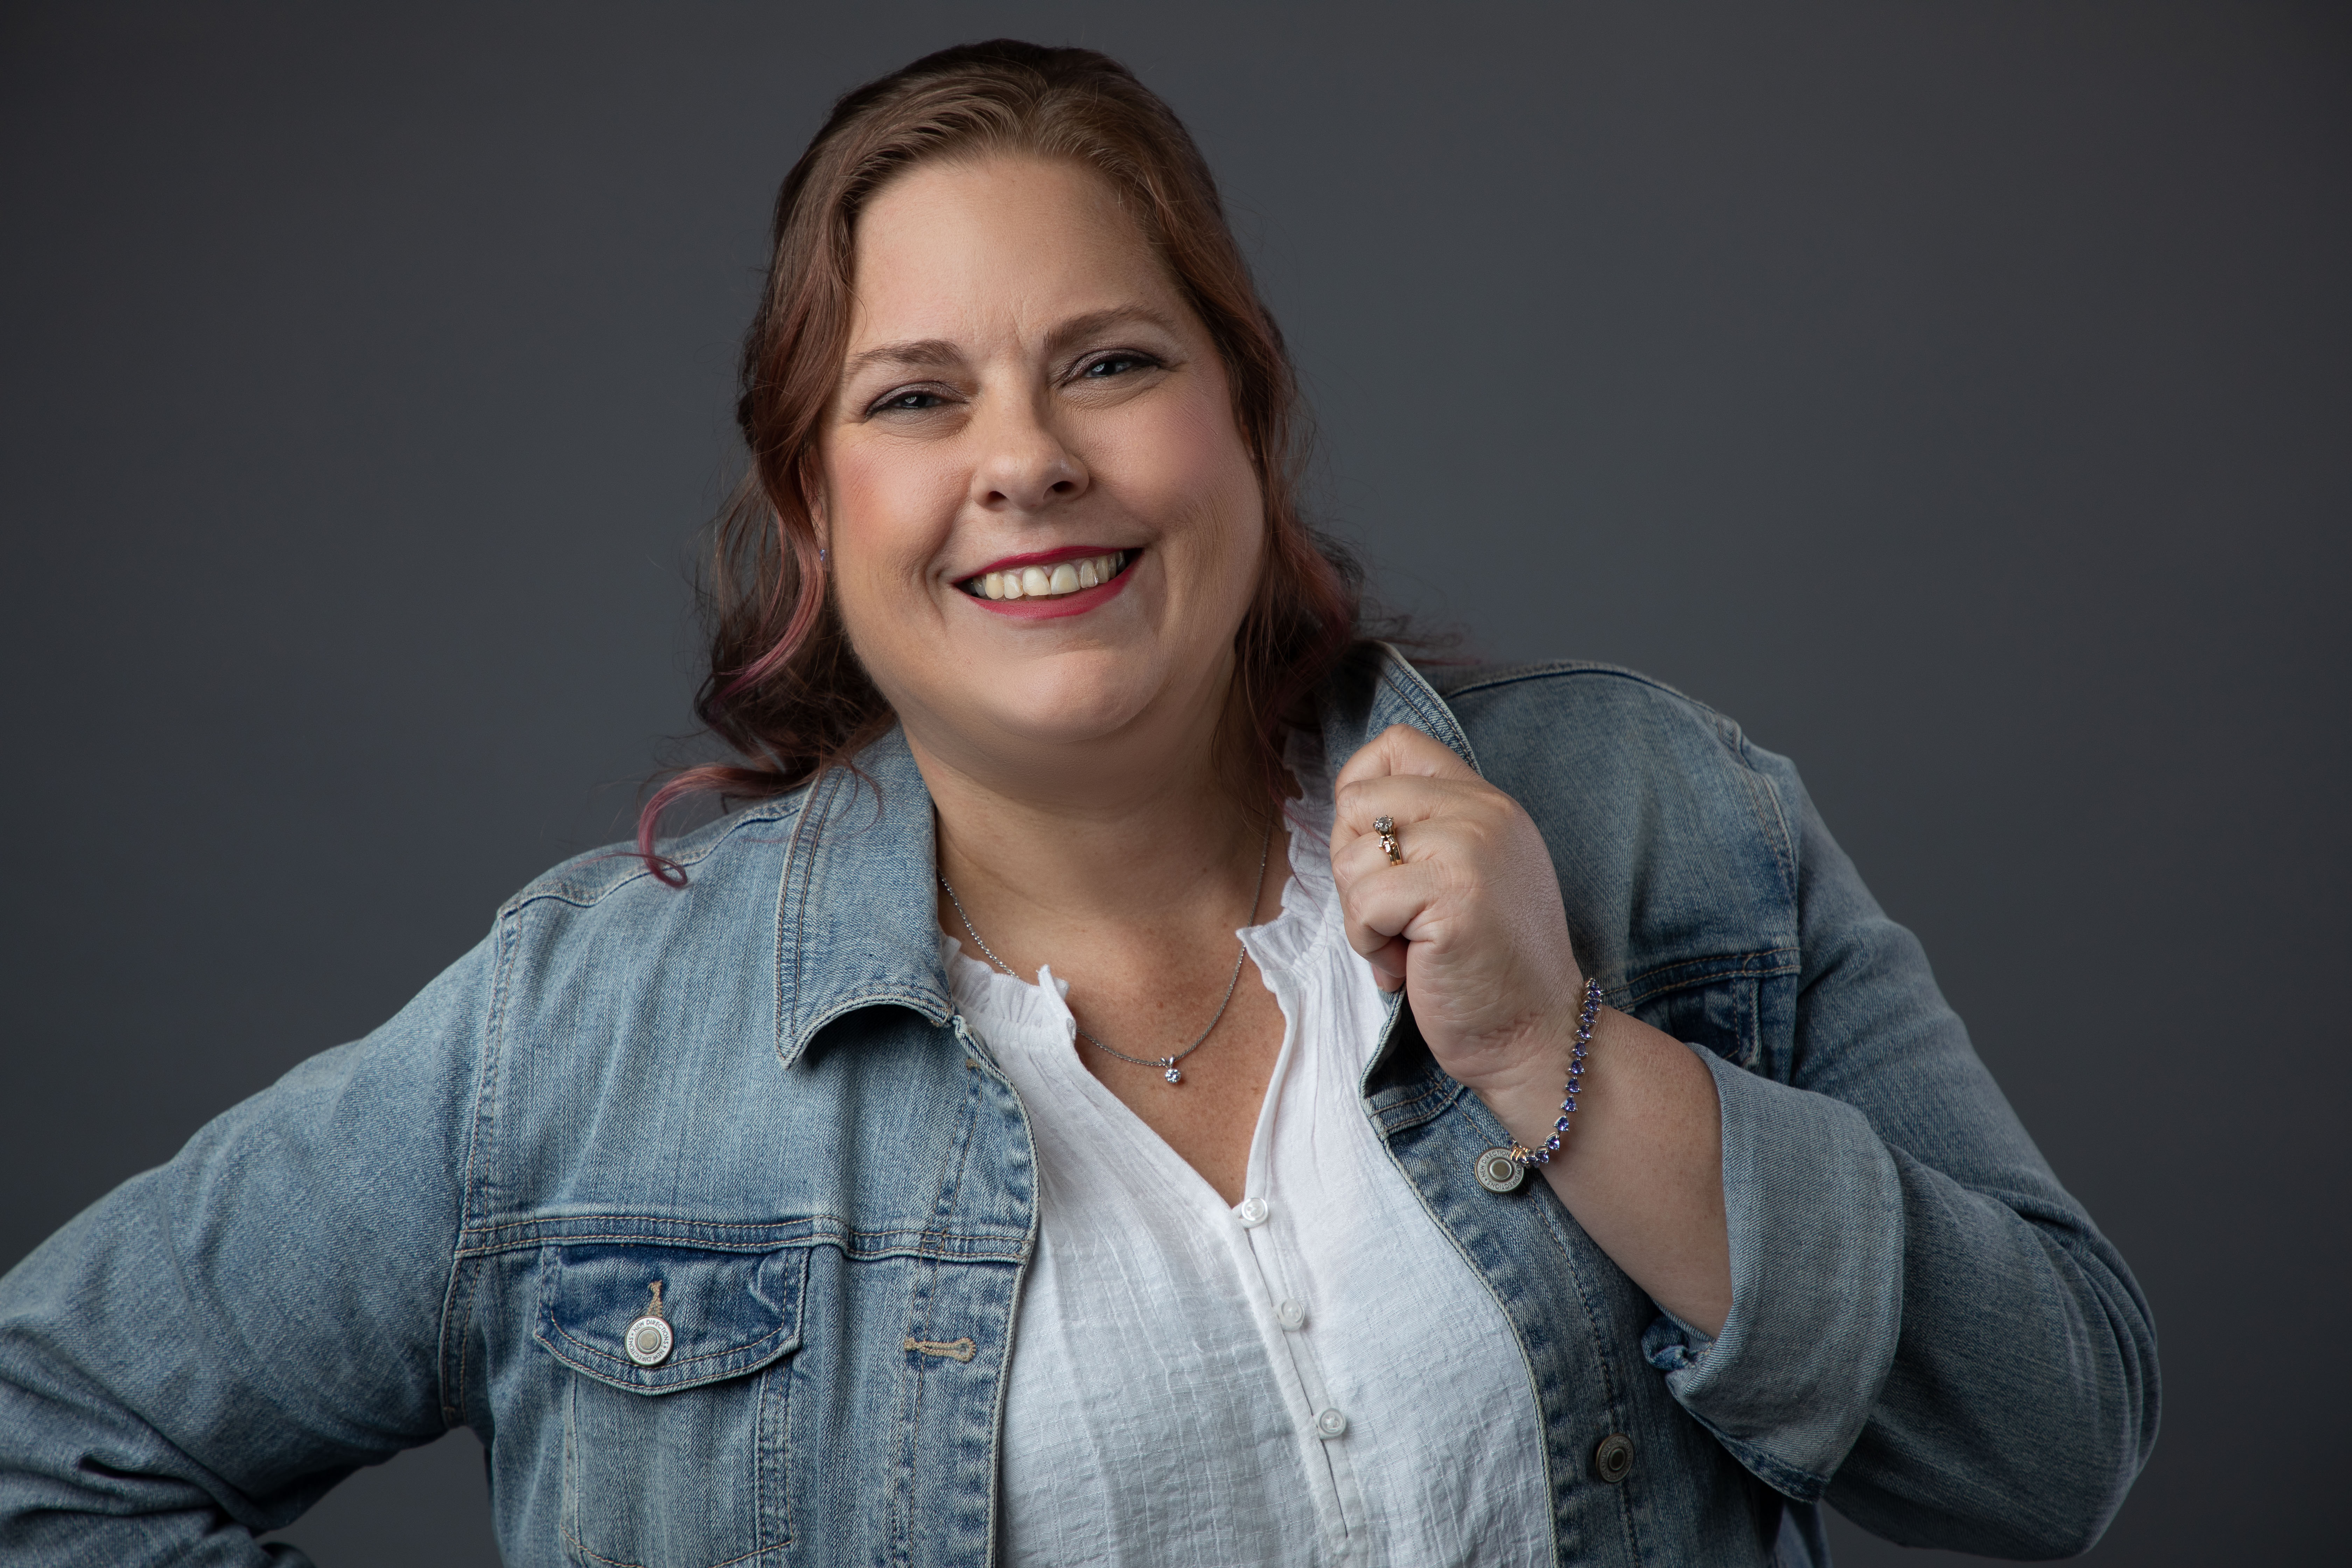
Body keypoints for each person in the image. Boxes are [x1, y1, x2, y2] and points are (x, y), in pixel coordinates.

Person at [0, 39, 2155, 1567]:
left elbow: (2054, 1450)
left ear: (1246, 414)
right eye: (917, 397)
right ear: (816, 509)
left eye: (1109, 362)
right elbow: (50, 1443)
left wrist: (1556, 1056)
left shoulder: (1655, 813)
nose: (1025, 458)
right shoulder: (587, 1034)